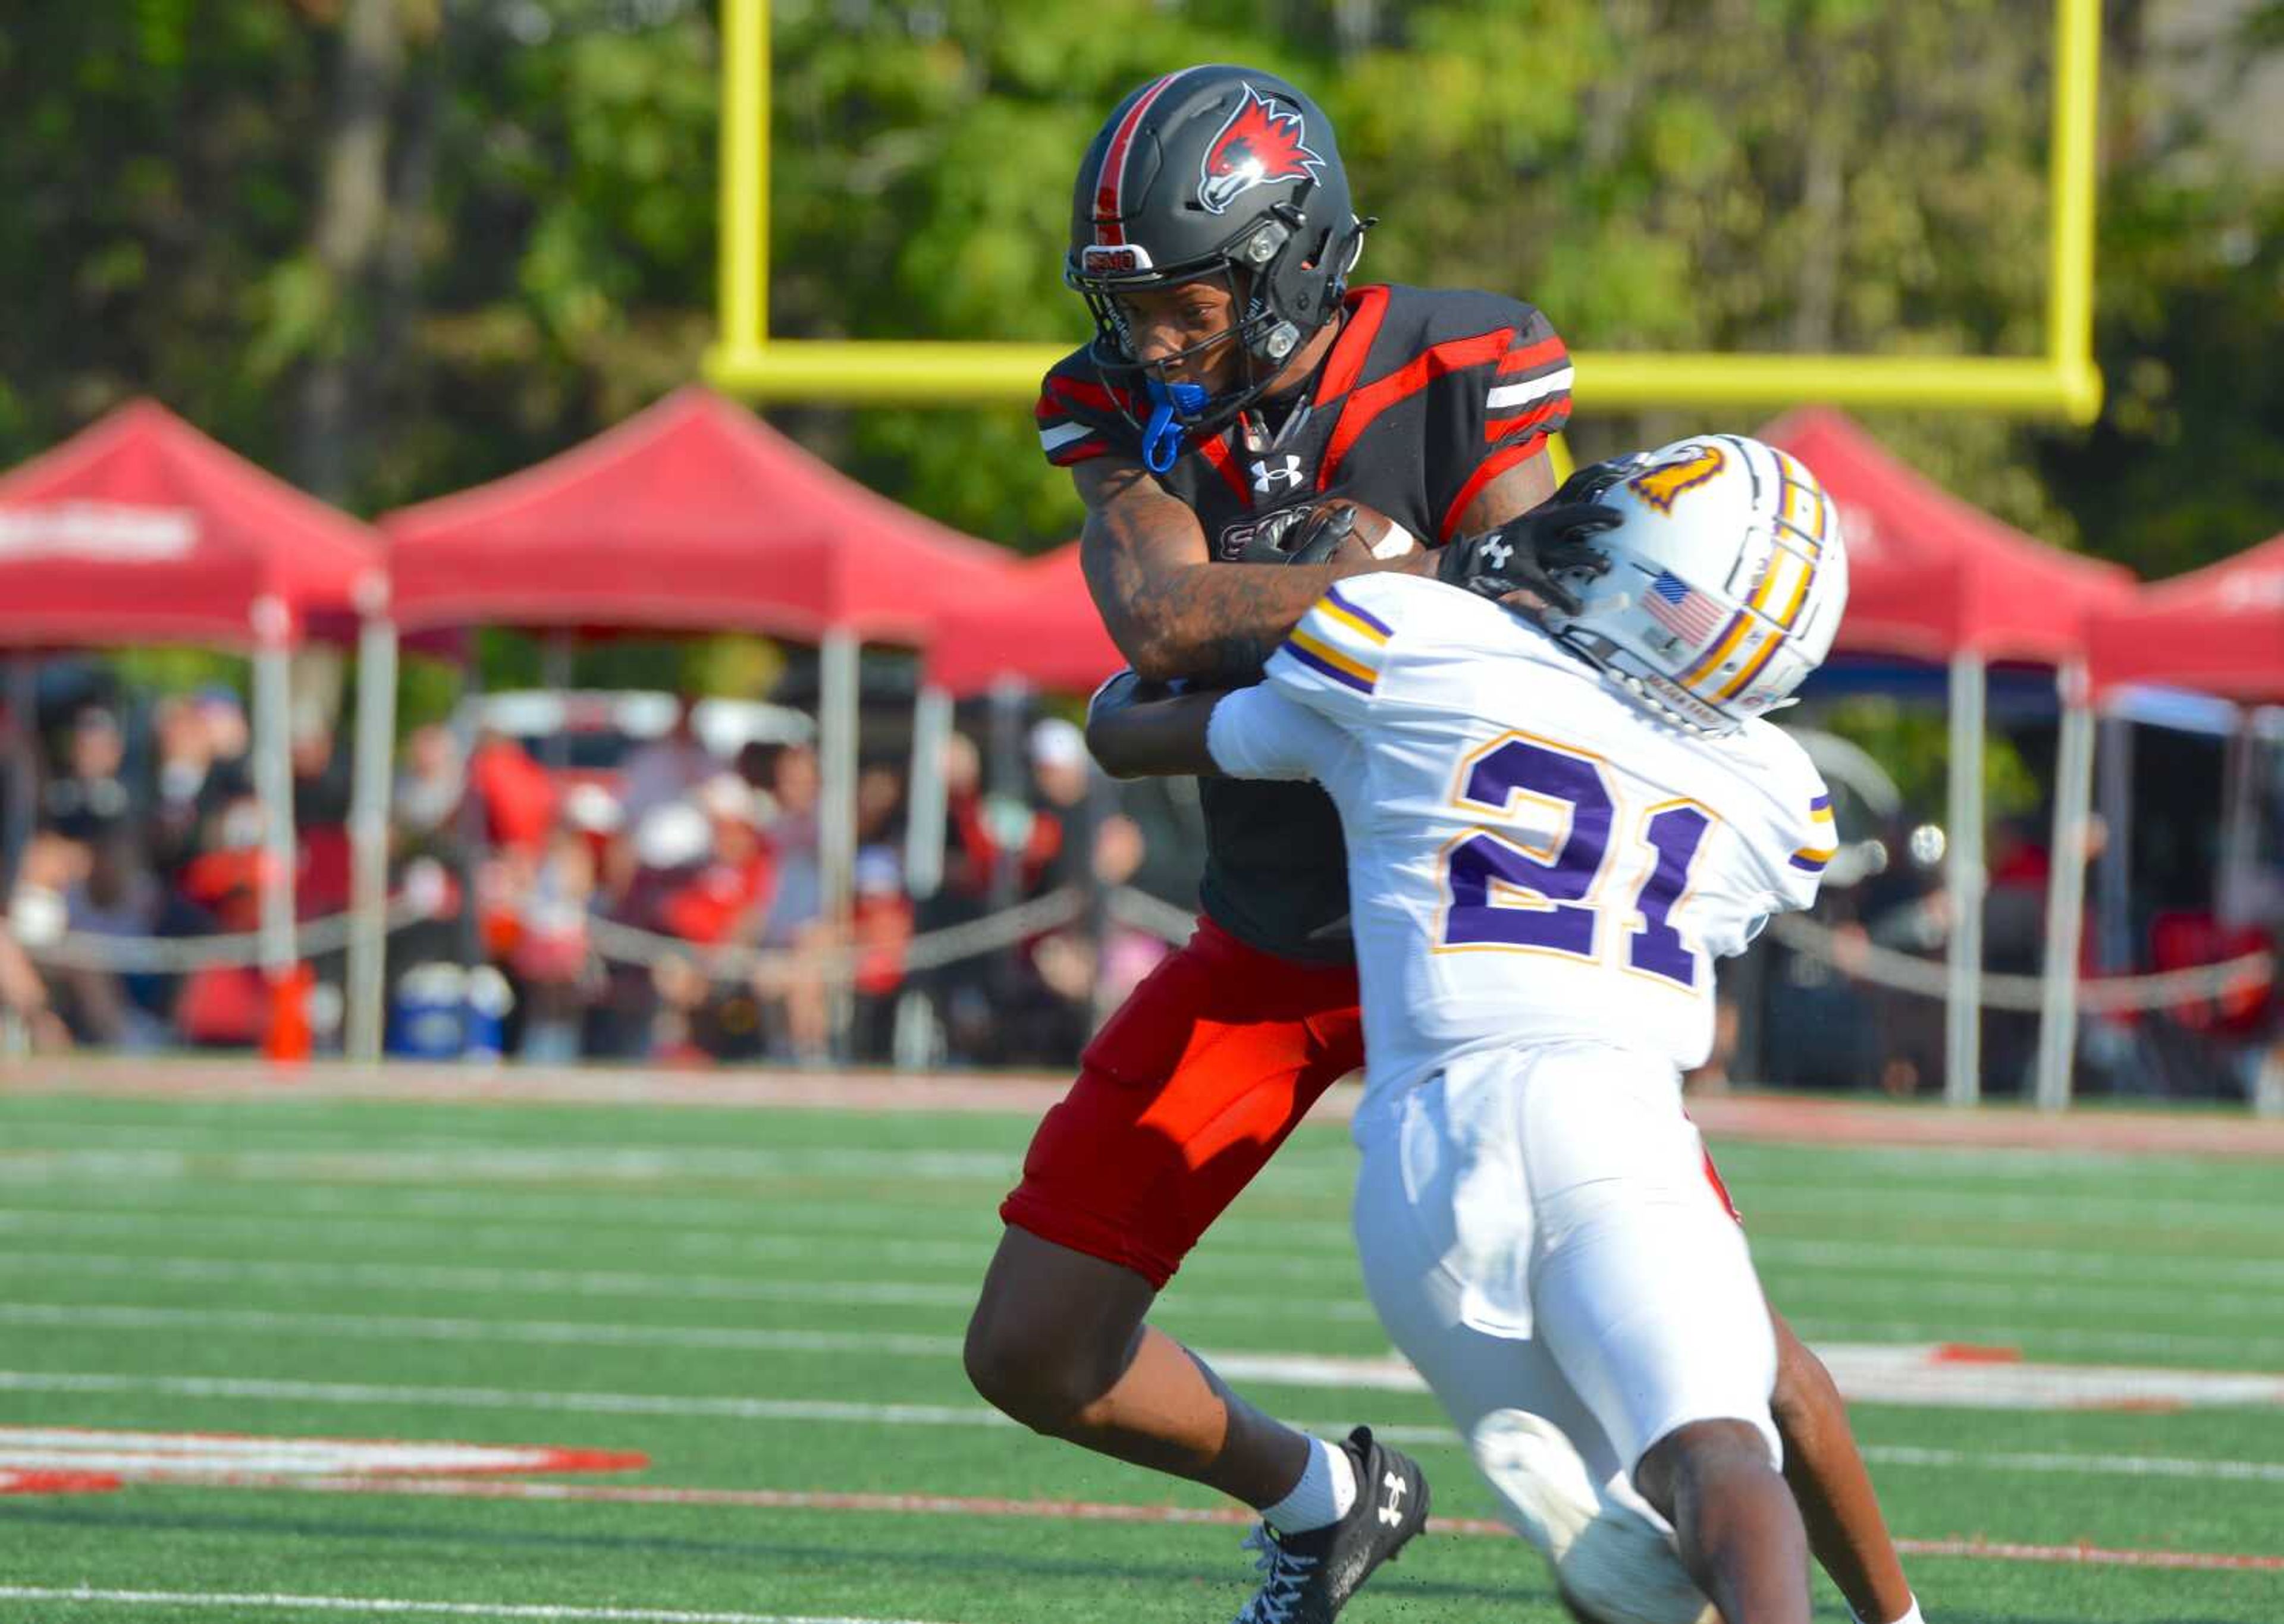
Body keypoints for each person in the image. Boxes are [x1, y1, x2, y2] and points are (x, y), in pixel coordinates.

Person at [964, 63, 1919, 1624]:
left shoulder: (1461, 357)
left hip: (1484, 937)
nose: (1151, 344)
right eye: (1128, 306)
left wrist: (1339, 602)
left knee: (1751, 1366)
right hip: (1269, 936)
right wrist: (1397, 581)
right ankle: (1321, 1493)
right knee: (1031, 1348)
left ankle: (1896, 1614)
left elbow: (1552, 642)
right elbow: (1156, 619)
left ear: (1288, 256)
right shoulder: (1114, 404)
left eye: (1187, 305)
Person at [1087, 434, 1901, 1624]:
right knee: (1718, 1457)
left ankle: (1592, 1516)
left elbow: (1126, 724)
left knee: (1626, 1537)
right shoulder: (1774, 795)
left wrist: (1332, 595)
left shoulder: (1416, 649)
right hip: (1623, 1130)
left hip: (1435, 1153)